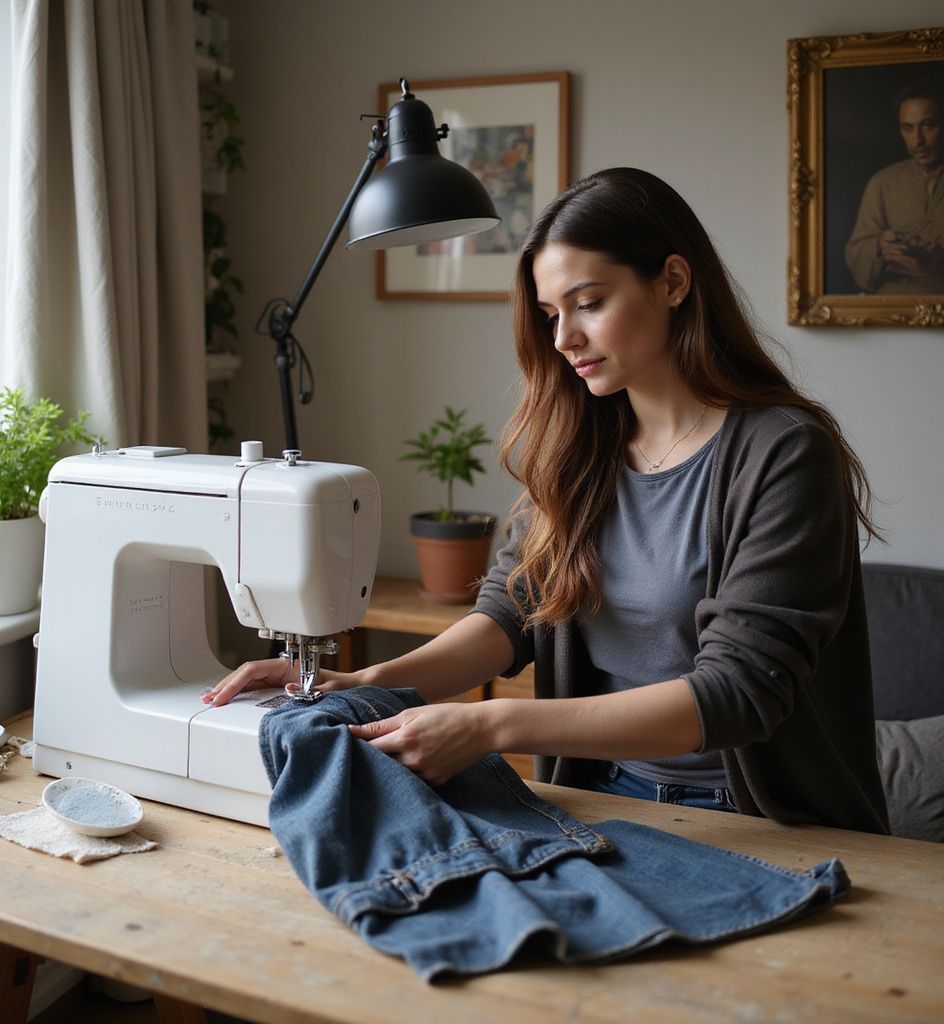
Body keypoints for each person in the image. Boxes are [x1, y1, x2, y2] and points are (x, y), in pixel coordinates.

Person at [205, 167, 890, 835]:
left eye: (589, 303)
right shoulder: (581, 448)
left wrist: (491, 724)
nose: (564, 339)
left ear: (674, 282)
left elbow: (738, 692)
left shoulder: (785, 454)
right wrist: (364, 679)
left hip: (755, 821)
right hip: (594, 798)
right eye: (551, 314)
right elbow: (511, 613)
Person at [845, 75, 944, 294]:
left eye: (928, 126)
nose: (918, 140)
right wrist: (880, 246)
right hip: (892, 309)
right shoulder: (882, 182)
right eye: (908, 128)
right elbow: (856, 253)